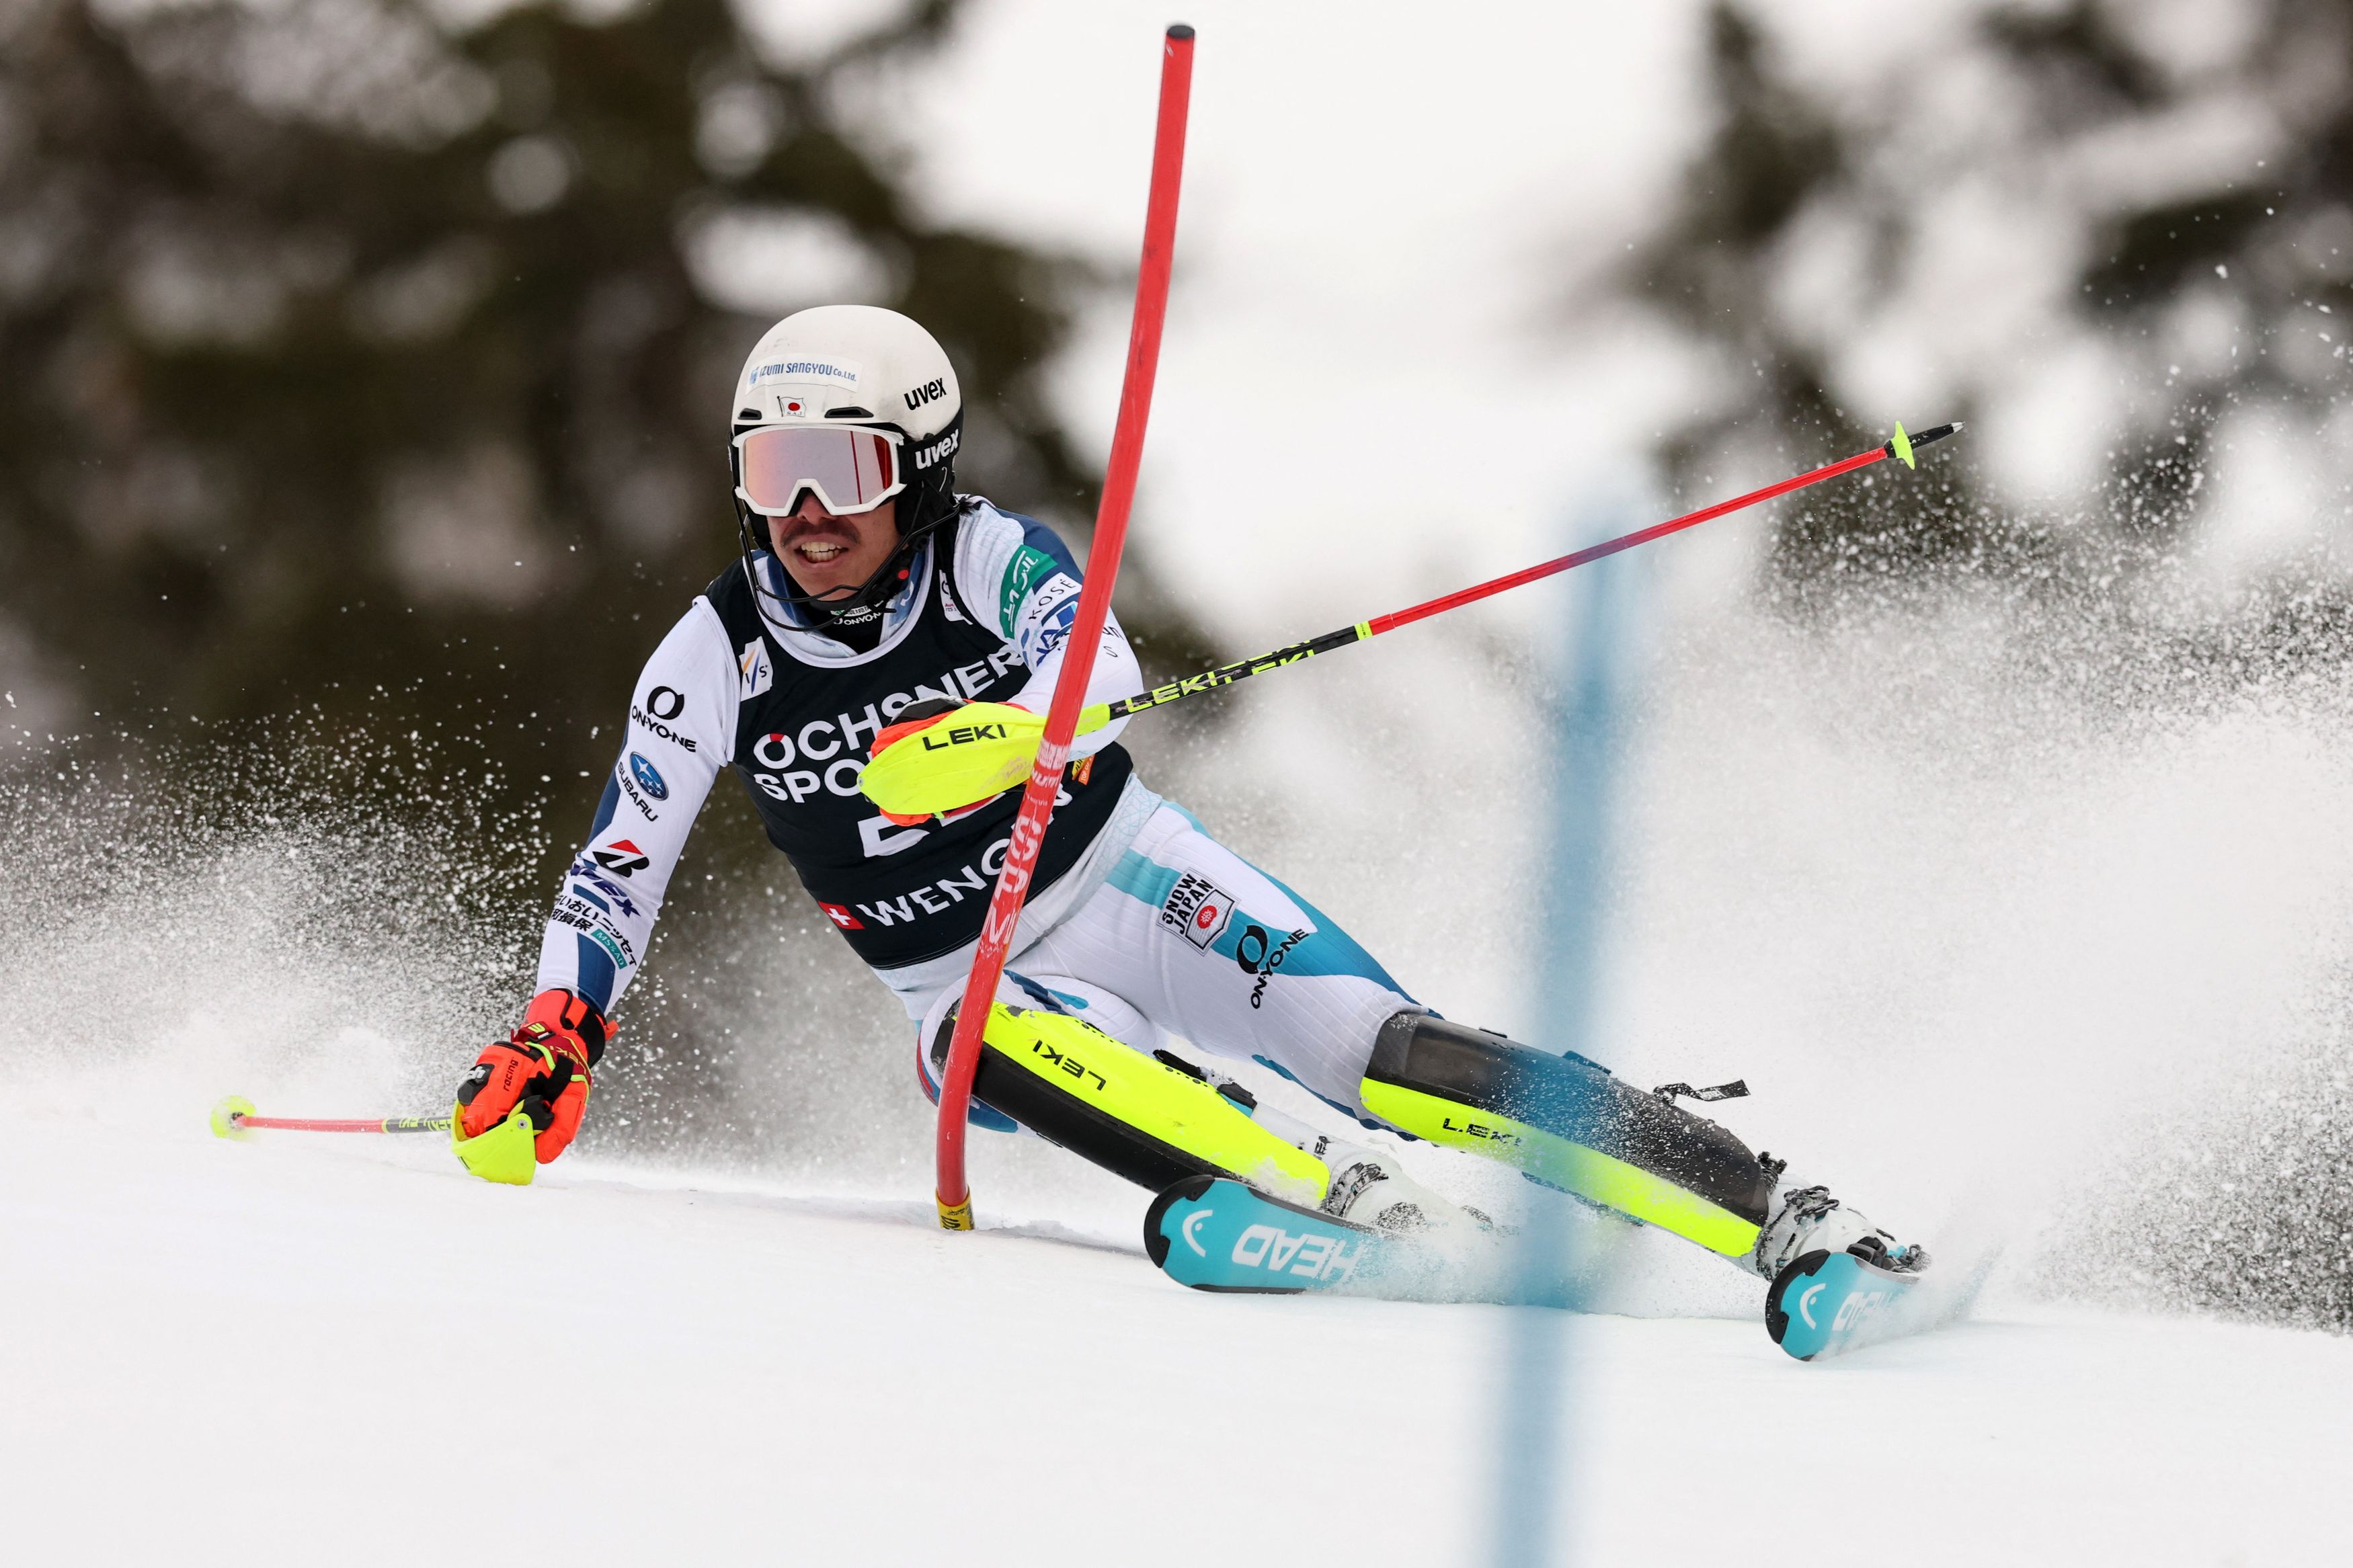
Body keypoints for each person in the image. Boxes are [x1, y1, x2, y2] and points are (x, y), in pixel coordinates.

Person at [448, 304, 1923, 1285]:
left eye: (839, 467)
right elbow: (619, 863)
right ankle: (1343, 1209)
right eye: (771, 470)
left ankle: (1777, 1215)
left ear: (918, 464)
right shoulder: (716, 648)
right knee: (979, 1041)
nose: (806, 511)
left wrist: (1008, 735)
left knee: (1397, 1060)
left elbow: (1097, 658)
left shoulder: (981, 557)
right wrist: (558, 1026)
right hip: (976, 986)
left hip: (1137, 885)